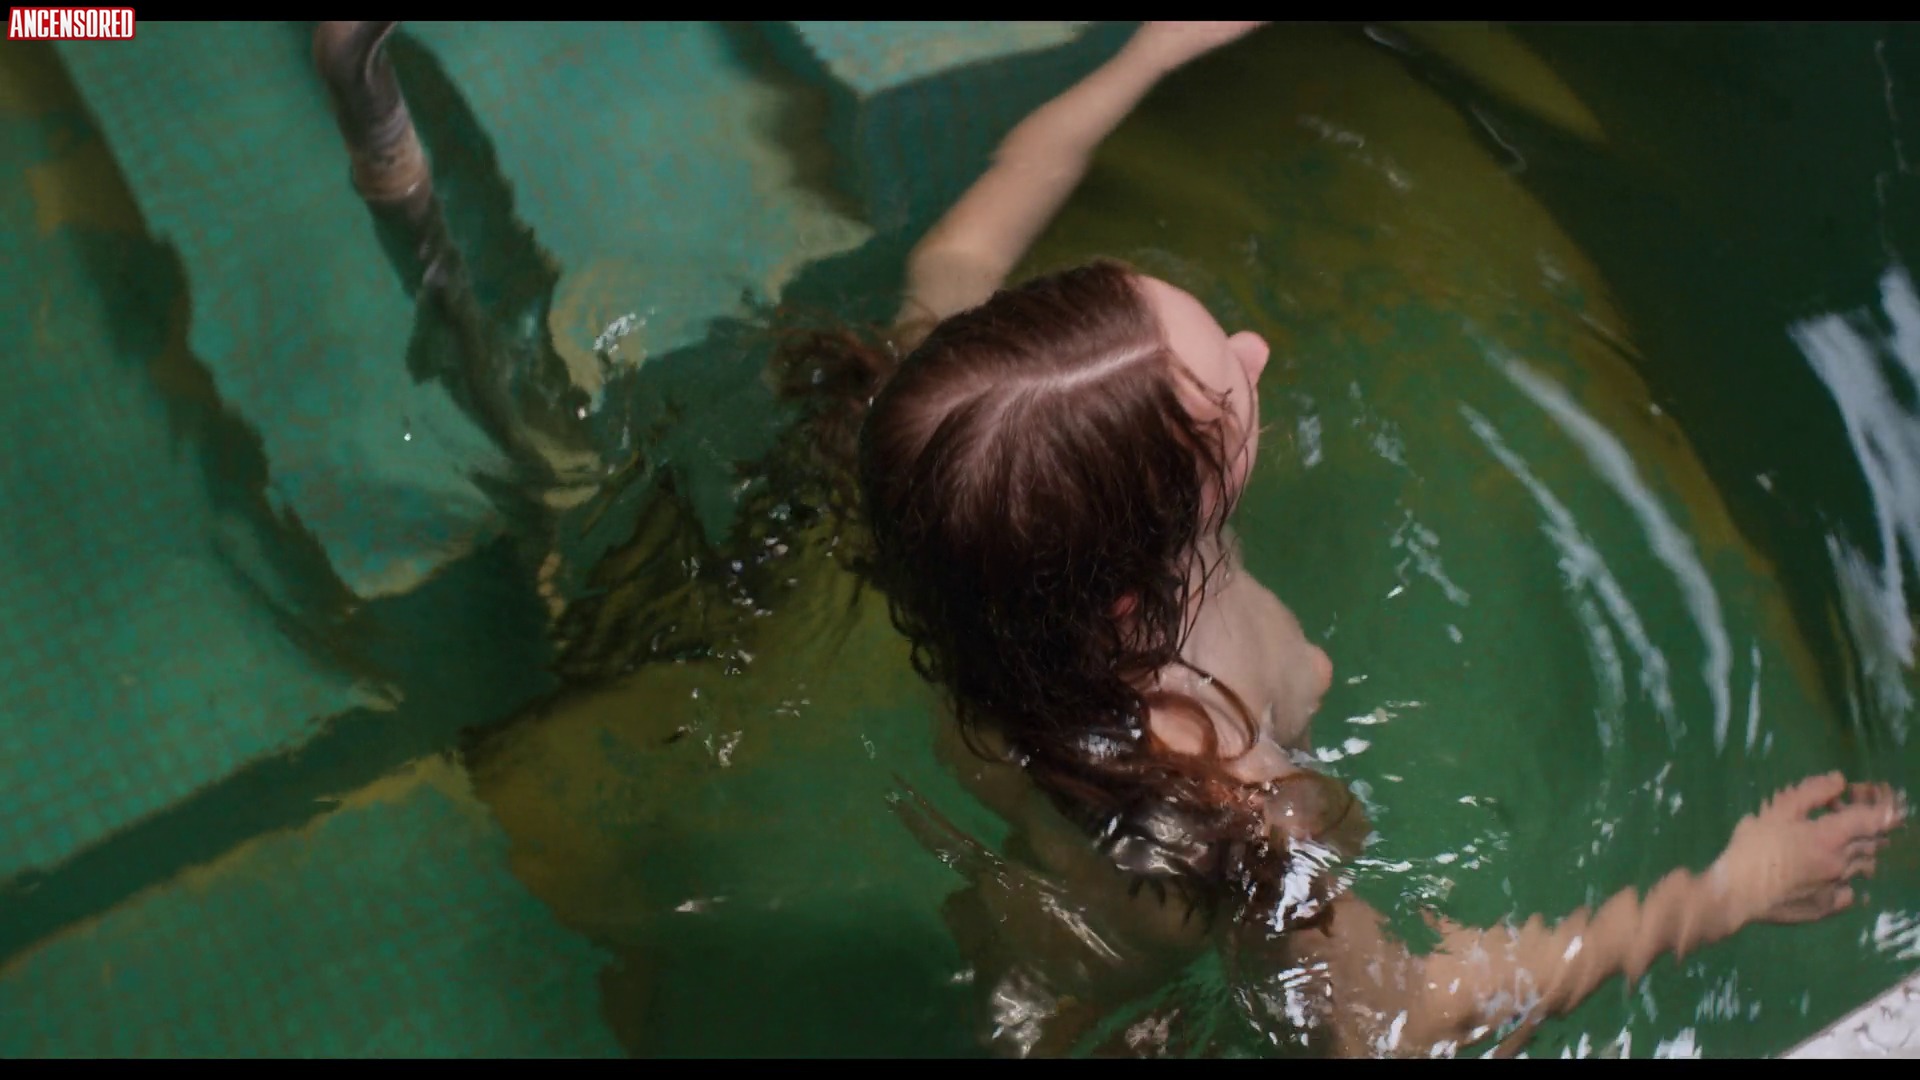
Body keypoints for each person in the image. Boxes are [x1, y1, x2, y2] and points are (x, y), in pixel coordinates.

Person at [774, 21, 1908, 1057]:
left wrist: (1151, 54)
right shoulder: (1223, 793)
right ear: (1136, 576)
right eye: (1230, 390)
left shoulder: (947, 479)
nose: (1257, 351)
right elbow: (1398, 1018)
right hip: (1106, 957)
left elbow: (965, 247)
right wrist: (1718, 896)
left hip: (1048, 850)